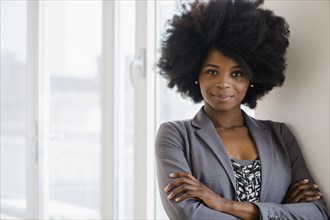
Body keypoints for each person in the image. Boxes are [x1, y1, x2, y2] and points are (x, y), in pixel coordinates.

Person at [155, 0, 329, 219]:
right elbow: (190, 215)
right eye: (211, 72)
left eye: (237, 73)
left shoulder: (280, 135)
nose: (224, 83)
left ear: (252, 78)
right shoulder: (176, 136)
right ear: (194, 75)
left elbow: (317, 212)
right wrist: (279, 211)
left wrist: (224, 205)